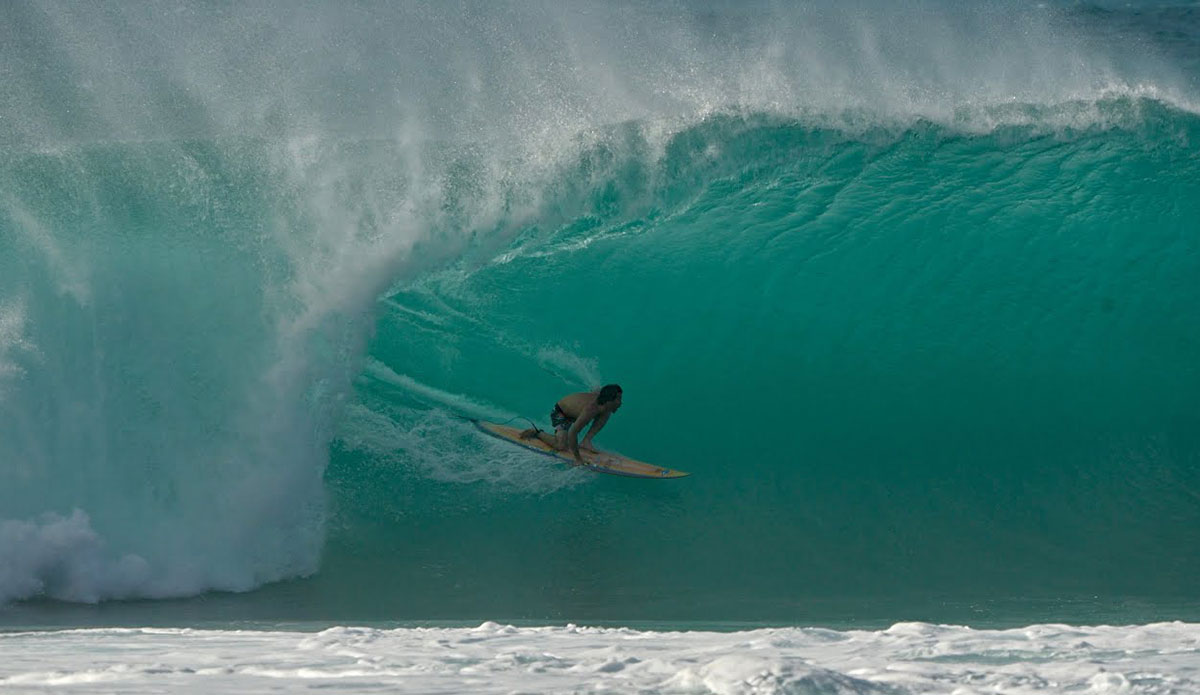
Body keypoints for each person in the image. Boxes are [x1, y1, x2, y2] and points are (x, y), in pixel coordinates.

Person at [520, 384, 622, 463]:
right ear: (609, 399)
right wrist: (578, 459)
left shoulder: (603, 401)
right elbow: (572, 433)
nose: (620, 403)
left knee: (607, 411)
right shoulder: (590, 409)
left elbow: (598, 390)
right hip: (561, 413)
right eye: (618, 400)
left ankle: (586, 441)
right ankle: (537, 433)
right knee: (561, 446)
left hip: (577, 413)